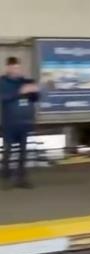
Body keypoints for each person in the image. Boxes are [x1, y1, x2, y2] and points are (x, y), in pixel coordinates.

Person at [1, 56, 39, 189]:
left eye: (18, 67)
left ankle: (21, 179)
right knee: (8, 151)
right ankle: (5, 176)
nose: (17, 70)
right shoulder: (3, 82)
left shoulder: (25, 81)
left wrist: (34, 90)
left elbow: (34, 98)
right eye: (14, 67)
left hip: (24, 123)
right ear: (8, 68)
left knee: (23, 152)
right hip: (9, 123)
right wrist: (19, 91)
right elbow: (3, 97)